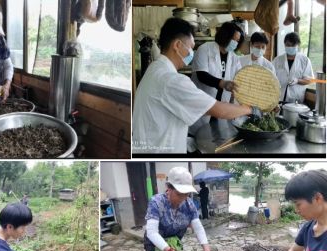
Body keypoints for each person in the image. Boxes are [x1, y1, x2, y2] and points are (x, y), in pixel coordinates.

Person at [132, 18, 262, 154]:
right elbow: (219, 110)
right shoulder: (172, 80)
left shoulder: (155, 68)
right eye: (191, 47)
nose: (191, 53)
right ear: (177, 45)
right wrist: (250, 109)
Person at [144, 167, 216, 251]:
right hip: (156, 248)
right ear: (168, 188)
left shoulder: (189, 204)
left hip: (175, 245)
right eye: (179, 194)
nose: (182, 198)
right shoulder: (156, 202)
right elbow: (151, 232)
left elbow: (198, 228)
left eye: (186, 194)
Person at [258, 170, 327, 251]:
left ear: (317, 198)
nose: (296, 210)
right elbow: (295, 250)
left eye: (298, 204)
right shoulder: (308, 228)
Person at [191, 21, 244, 104]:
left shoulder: (234, 58)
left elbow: (240, 77)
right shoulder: (205, 49)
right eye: (233, 39)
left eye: (237, 41)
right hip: (203, 101)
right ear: (224, 36)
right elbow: (202, 75)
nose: (235, 43)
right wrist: (223, 83)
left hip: (223, 102)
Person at [272, 32, 313, 104]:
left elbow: (309, 80)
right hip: (278, 98)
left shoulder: (305, 60)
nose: (290, 47)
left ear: (298, 45)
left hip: (296, 99)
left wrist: (297, 81)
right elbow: (271, 78)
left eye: (293, 45)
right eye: (288, 45)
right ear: (284, 44)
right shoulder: (277, 60)